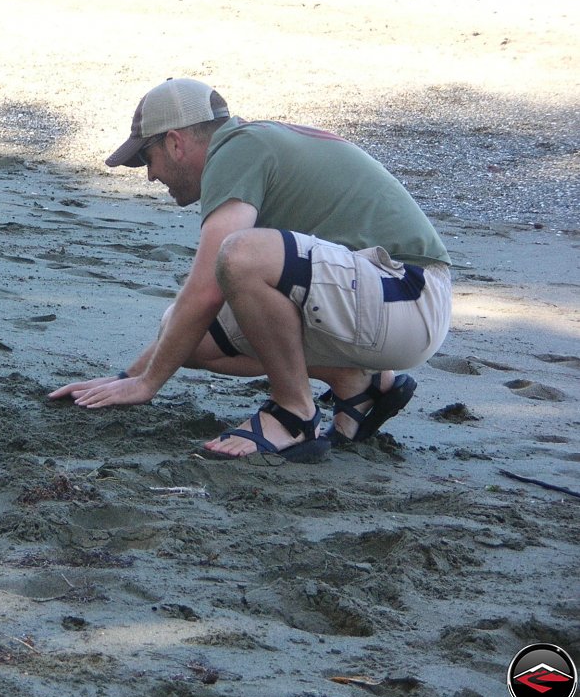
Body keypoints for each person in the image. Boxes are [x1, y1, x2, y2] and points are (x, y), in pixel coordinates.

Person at [49, 78, 452, 462]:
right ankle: (357, 385)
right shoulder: (249, 142)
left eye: (146, 158)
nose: (150, 175)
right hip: (387, 299)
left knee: (240, 255)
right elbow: (201, 307)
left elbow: (209, 285)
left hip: (409, 294)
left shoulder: (235, 149)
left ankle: (293, 414)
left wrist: (145, 383)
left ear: (175, 143)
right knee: (186, 332)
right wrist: (128, 375)